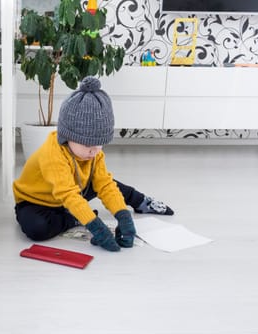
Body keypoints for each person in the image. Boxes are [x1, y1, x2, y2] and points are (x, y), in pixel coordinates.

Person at [13, 76, 173, 252]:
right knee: (37, 228)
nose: (95, 150)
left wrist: (123, 215)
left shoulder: (93, 152)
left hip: (75, 189)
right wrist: (95, 226)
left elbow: (104, 185)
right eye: (89, 145)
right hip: (37, 201)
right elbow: (68, 194)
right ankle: (72, 218)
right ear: (68, 136)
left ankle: (141, 201)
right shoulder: (52, 154)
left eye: (100, 144)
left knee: (107, 182)